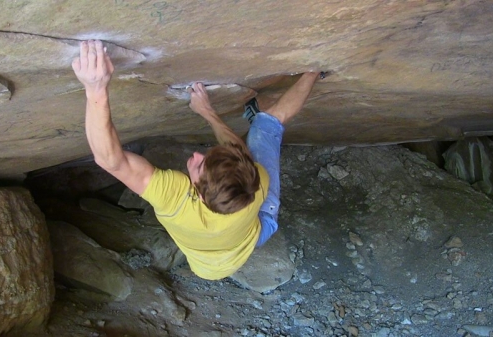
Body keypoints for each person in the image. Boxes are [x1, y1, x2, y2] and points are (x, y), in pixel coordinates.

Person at [72, 40, 320, 280]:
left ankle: (269, 105)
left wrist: (95, 89)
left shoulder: (175, 199)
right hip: (250, 234)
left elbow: (111, 160)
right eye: (206, 158)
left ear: (198, 194)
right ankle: (315, 69)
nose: (197, 155)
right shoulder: (258, 181)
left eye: (200, 165)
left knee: (259, 131)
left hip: (227, 254)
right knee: (266, 127)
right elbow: (237, 150)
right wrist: (207, 112)